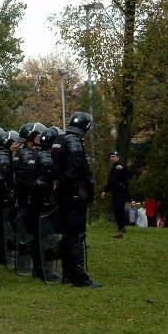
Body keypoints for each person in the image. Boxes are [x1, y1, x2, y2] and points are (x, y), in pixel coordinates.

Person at [55, 112, 102, 288]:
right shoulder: (74, 142)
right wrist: (76, 188)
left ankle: (67, 273)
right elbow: (74, 169)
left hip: (64, 195)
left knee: (68, 235)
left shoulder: (60, 139)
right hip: (74, 195)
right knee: (76, 236)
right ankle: (78, 275)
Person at [101, 151, 130, 238]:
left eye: (113, 156)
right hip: (114, 193)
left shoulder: (122, 166)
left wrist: (123, 169)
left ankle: (121, 227)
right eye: (110, 157)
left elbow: (128, 175)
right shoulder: (113, 169)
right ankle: (121, 226)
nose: (112, 158)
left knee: (119, 207)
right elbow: (110, 182)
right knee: (116, 209)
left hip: (122, 192)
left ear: (118, 157)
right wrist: (105, 191)